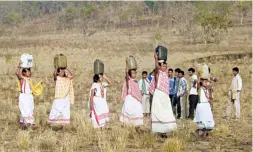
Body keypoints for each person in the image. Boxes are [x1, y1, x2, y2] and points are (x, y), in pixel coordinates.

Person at [148, 52, 177, 137]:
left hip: (165, 96)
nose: (164, 67)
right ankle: (159, 131)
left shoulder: (165, 75)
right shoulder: (158, 73)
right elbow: (156, 67)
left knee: (166, 112)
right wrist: (156, 59)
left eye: (165, 66)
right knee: (158, 112)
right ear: (160, 66)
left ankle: (165, 131)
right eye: (163, 66)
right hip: (158, 95)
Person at [16, 61, 43, 130]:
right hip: (24, 97)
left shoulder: (30, 80)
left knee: (30, 110)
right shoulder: (22, 79)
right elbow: (16, 73)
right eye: (28, 71)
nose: (30, 73)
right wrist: (19, 66)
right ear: (24, 73)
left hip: (29, 97)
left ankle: (23, 123)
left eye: (30, 71)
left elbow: (32, 89)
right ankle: (32, 124)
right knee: (25, 110)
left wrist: (39, 85)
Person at [120, 57, 143, 127]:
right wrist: (127, 63)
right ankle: (126, 127)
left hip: (135, 100)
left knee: (138, 111)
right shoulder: (128, 80)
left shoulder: (136, 82)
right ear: (130, 74)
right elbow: (126, 72)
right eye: (133, 73)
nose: (135, 74)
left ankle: (136, 127)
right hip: (129, 99)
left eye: (135, 72)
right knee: (127, 112)